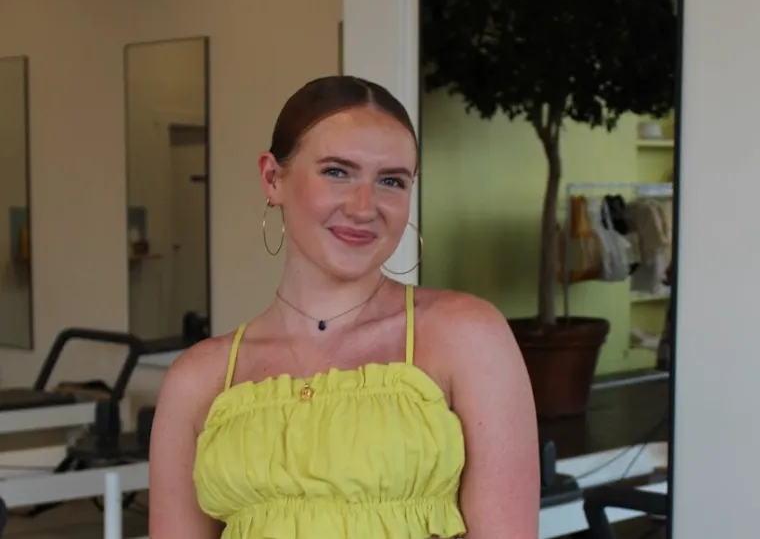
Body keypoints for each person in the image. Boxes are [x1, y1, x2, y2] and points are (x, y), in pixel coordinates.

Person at [148, 75, 540, 539]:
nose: (363, 207)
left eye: (391, 181)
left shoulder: (466, 336)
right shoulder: (198, 380)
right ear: (272, 178)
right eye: (337, 172)